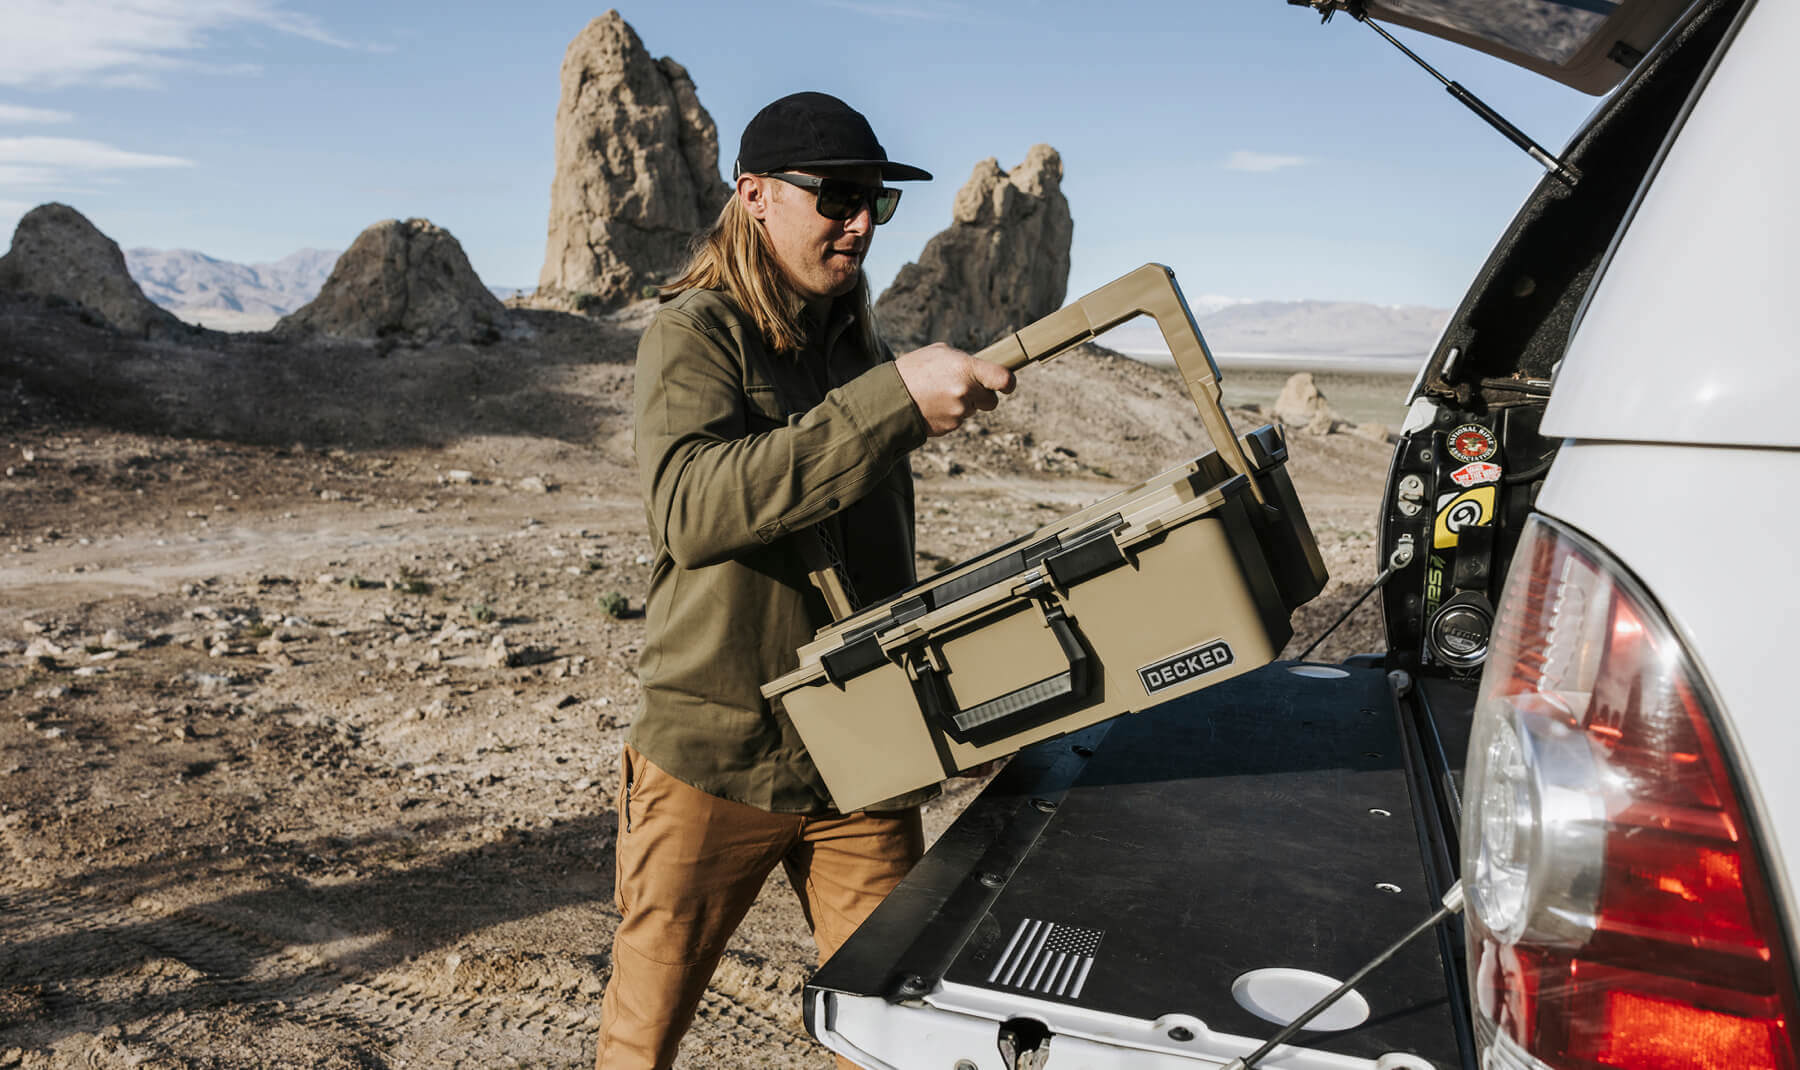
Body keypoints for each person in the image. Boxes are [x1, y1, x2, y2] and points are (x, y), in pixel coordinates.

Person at [597, 91, 1016, 1069]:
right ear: (755, 195)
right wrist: (890, 404)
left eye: (875, 201)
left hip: (863, 750)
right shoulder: (696, 331)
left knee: (889, 1033)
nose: (861, 221)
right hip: (715, 753)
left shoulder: (855, 344)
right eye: (837, 196)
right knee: (639, 1040)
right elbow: (693, 507)